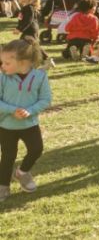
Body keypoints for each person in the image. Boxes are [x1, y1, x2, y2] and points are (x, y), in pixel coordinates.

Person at [0, 38, 52, 201]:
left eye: (7, 63)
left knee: (36, 149)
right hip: (6, 126)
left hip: (30, 124)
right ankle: (3, 186)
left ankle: (22, 173)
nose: (2, 66)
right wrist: (11, 110)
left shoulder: (40, 76)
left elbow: (45, 99)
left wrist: (29, 111)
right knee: (8, 157)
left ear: (23, 62)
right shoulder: (2, 78)